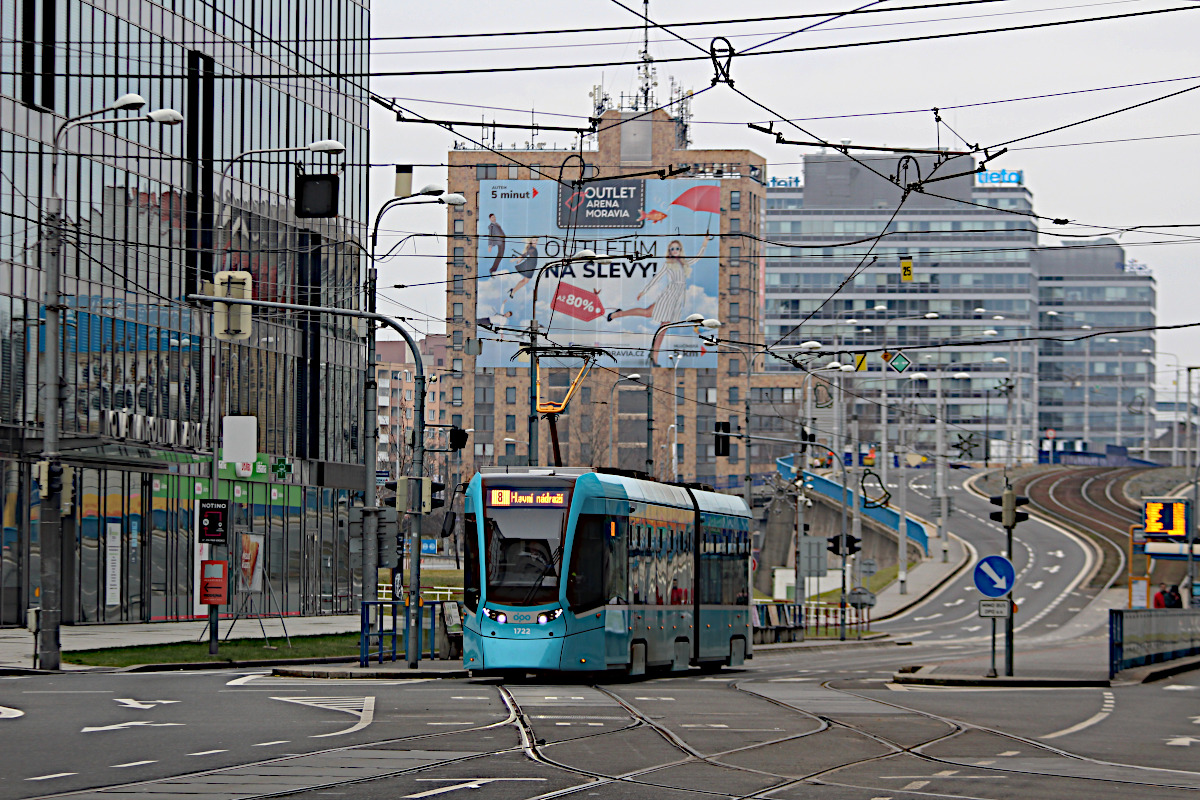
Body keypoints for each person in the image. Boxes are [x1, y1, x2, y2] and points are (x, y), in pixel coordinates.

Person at [606, 235, 712, 364]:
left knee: (664, 326)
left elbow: (697, 257)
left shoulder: (684, 263)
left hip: (678, 298)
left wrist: (705, 242)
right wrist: (644, 291)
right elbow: (656, 278)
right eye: (672, 249)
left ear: (680, 250)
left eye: (677, 248)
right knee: (648, 313)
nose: (674, 251)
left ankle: (654, 356)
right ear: (669, 251)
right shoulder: (668, 264)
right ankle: (618, 314)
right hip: (669, 294)